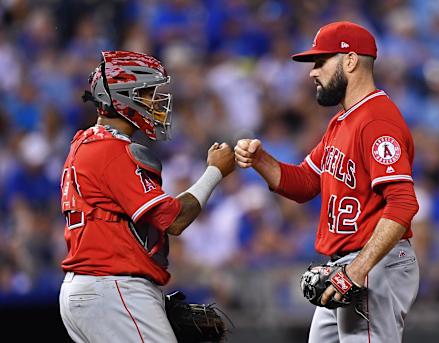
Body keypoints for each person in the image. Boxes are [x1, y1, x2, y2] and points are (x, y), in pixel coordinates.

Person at [234, 21, 419, 342]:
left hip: (373, 263)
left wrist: (359, 270)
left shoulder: (377, 120)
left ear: (350, 61)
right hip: (345, 267)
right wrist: (261, 161)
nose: (313, 72)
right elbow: (306, 182)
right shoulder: (343, 121)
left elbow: (403, 204)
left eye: (321, 61)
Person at [59, 50, 235, 342]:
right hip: (113, 286)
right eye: (148, 93)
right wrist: (215, 172)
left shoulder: (86, 143)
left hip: (93, 289)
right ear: (124, 97)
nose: (156, 101)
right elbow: (174, 220)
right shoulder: (110, 151)